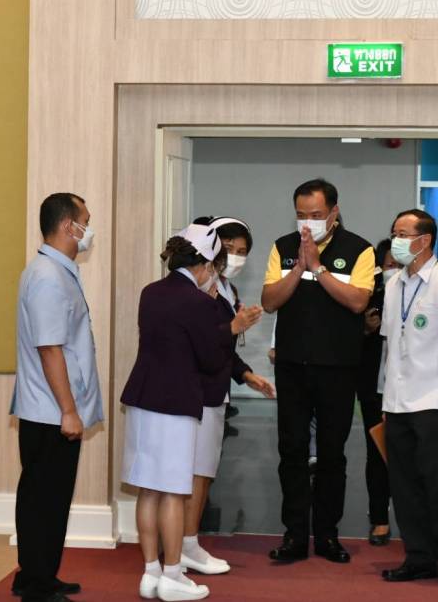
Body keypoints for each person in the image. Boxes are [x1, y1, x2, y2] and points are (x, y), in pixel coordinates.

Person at [121, 224, 259, 602]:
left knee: (148, 490)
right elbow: (211, 359)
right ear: (204, 265)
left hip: (142, 398)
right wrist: (226, 324)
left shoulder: (151, 292)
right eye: (214, 266)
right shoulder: (198, 302)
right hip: (176, 403)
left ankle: (150, 572)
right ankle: (172, 575)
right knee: (172, 493)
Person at [260, 179, 375, 564]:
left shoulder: (359, 249)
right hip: (292, 366)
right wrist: (298, 268)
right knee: (291, 451)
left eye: (316, 215)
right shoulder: (282, 247)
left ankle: (327, 535)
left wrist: (318, 268)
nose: (307, 222)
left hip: (338, 368)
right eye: (301, 215)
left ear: (334, 212)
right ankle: (294, 535)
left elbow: (358, 302)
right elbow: (269, 301)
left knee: (331, 454)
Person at [10, 193, 103, 602]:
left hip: (53, 409)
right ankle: (36, 583)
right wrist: (69, 410)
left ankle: (39, 574)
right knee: (44, 498)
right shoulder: (48, 276)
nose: (89, 230)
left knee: (48, 496)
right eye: (86, 221)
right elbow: (50, 348)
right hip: (50, 411)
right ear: (69, 226)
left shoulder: (56, 271)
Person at [380, 209, 438, 587]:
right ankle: (418, 557)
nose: (396, 240)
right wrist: (385, 398)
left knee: (437, 482)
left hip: (435, 398)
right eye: (394, 232)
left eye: (403, 234)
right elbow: (391, 344)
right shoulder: (393, 284)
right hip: (397, 400)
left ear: (425, 240)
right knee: (403, 485)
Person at [182, 216, 272, 576]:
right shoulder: (199, 288)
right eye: (229, 249)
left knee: (204, 472)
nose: (235, 257)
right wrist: (234, 326)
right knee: (193, 473)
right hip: (195, 391)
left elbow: (225, 349)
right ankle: (183, 545)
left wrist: (247, 376)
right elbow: (202, 341)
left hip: (218, 391)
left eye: (242, 251)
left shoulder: (228, 291)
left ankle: (189, 542)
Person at [356, 238, 397, 546]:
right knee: (377, 453)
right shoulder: (369, 297)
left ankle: (413, 516)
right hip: (375, 388)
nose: (394, 270)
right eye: (389, 265)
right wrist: (367, 329)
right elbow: (347, 340)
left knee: (411, 457)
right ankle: (379, 518)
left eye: (399, 265)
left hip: (413, 391)